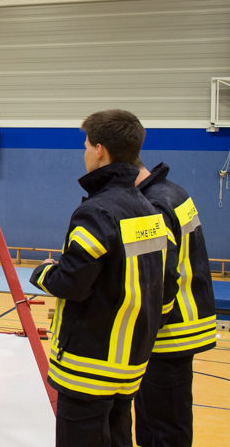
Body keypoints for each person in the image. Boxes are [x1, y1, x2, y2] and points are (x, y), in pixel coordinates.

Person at [29, 109, 171, 447]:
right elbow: (165, 283)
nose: (85, 153)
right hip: (129, 364)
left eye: (86, 146)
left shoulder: (96, 211)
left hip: (88, 366)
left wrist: (44, 272)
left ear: (100, 150)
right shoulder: (149, 211)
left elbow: (72, 283)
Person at [133, 159, 217, 447]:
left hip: (167, 334)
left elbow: (160, 278)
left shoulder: (152, 204)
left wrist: (147, 325)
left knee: (165, 429)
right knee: (152, 425)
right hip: (182, 324)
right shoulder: (173, 191)